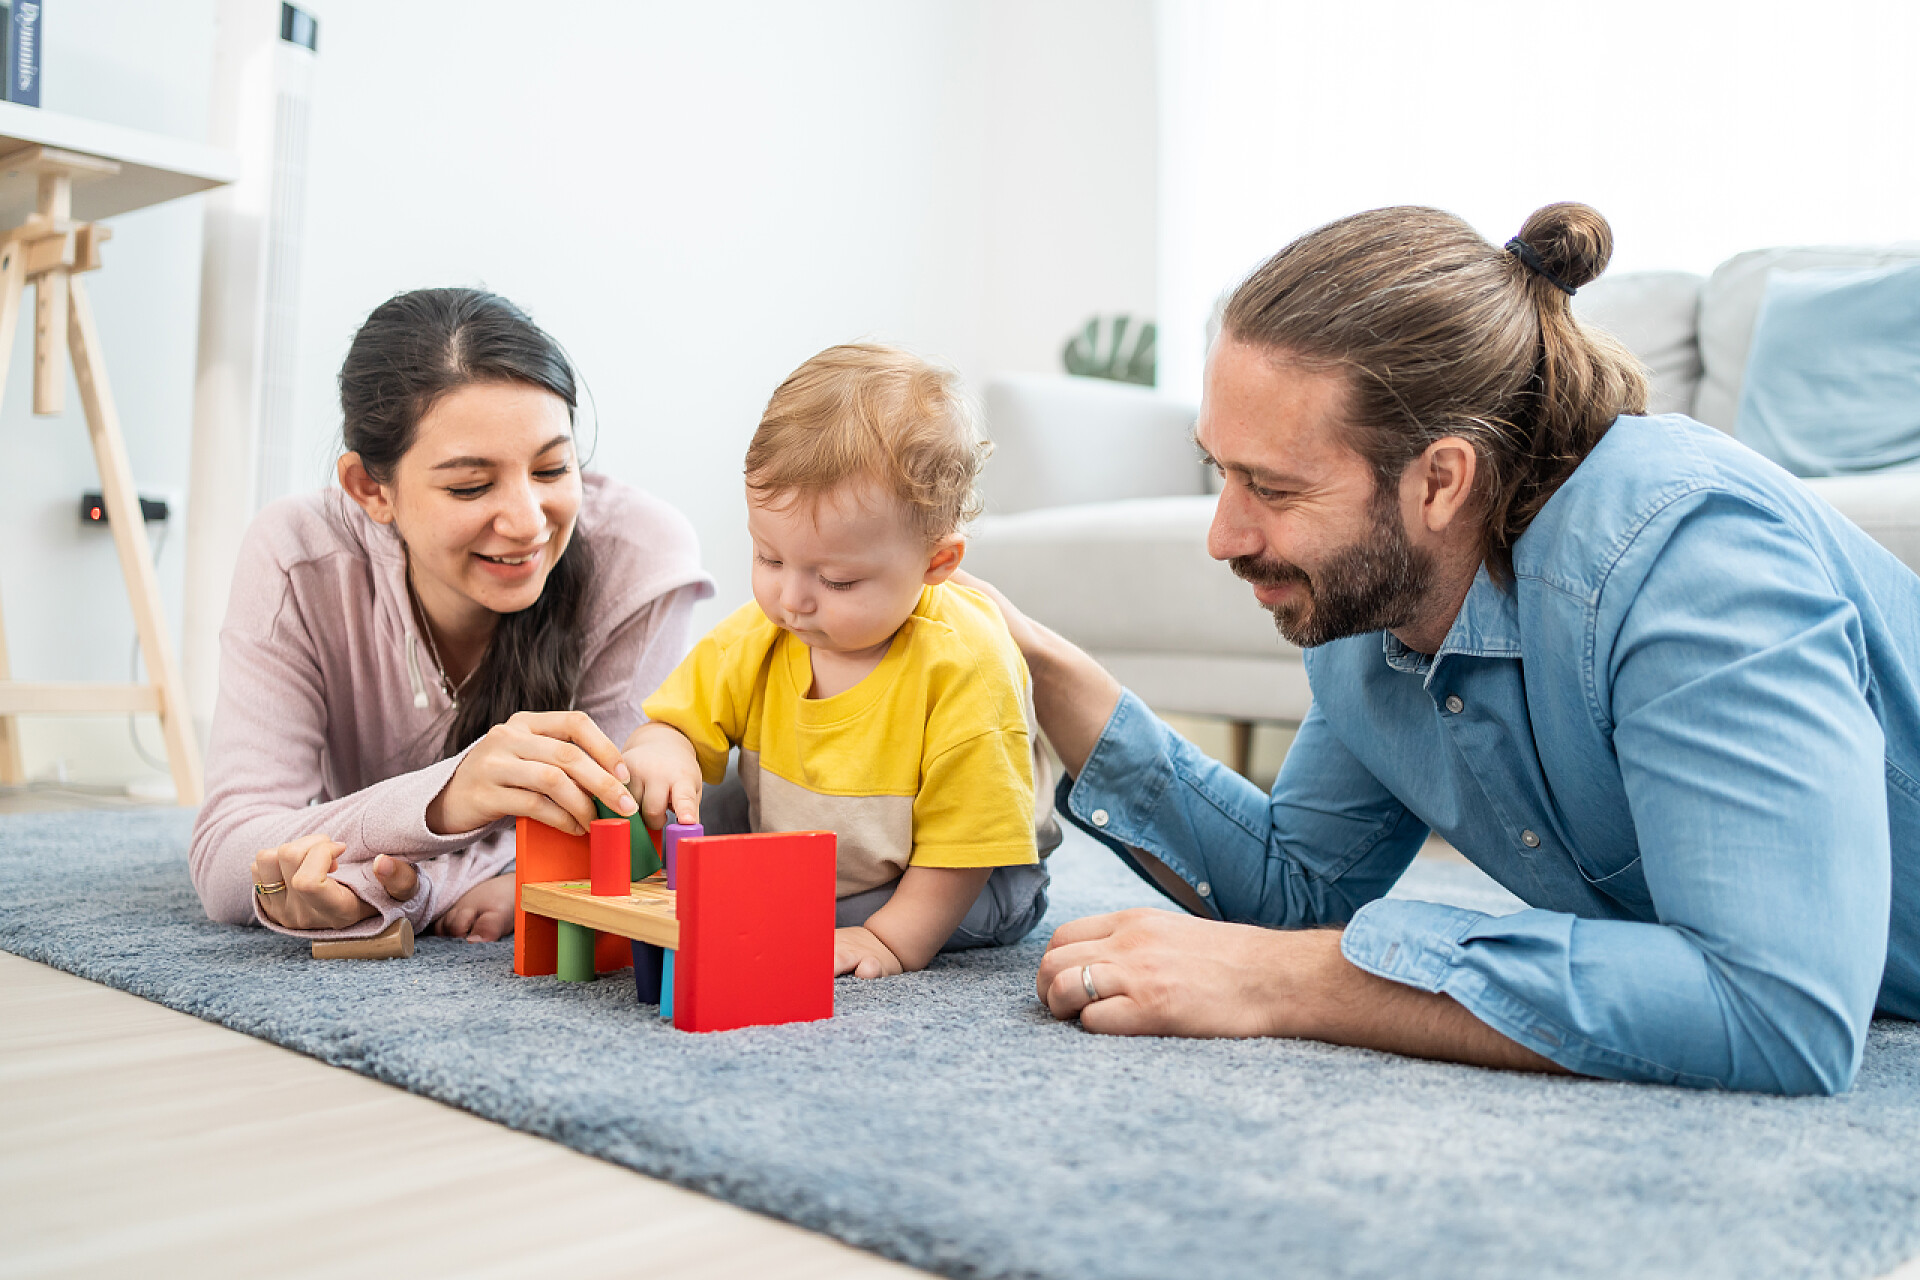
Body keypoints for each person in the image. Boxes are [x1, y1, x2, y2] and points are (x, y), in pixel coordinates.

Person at [977, 202, 1920, 1096]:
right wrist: (1046, 668)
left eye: (1272, 487)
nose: (1222, 535)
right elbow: (1301, 888)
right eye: (1221, 471)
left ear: (1440, 481)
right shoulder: (1377, 613)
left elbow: (1776, 1007)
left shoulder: (1691, 563)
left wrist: (1297, 982)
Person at [189, 288, 712, 944]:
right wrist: (448, 797)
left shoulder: (640, 551)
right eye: (470, 485)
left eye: (553, 467)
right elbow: (228, 854)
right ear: (370, 489)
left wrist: (414, 889)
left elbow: (616, 826)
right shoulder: (298, 554)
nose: (527, 522)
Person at [624, 344, 1056, 978]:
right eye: (769, 559)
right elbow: (675, 723)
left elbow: (967, 847)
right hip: (815, 849)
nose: (790, 599)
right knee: (696, 795)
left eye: (837, 580)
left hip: (961, 876)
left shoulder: (965, 664)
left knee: (827, 913)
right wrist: (664, 746)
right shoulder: (762, 634)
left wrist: (888, 940)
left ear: (936, 563)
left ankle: (853, 918)